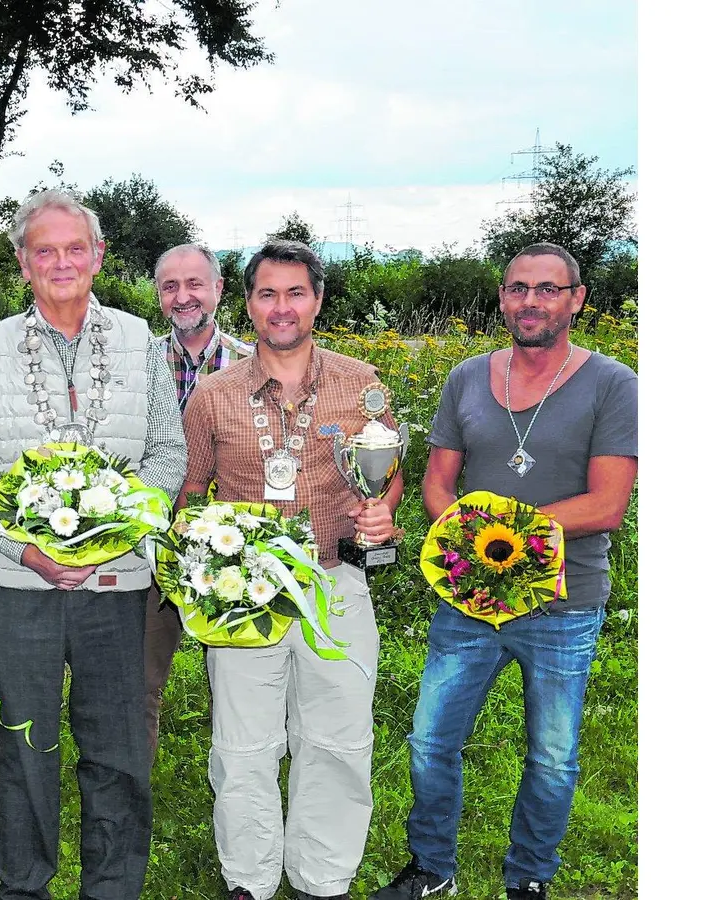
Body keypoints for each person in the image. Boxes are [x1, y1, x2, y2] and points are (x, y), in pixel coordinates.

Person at [371, 243, 637, 900]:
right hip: (468, 598)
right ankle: (432, 865)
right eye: (518, 288)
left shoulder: (613, 384)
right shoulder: (465, 377)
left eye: (548, 289)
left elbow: (607, 504)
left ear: (576, 299)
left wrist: (504, 534)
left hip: (563, 606)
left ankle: (529, 878)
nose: (531, 301)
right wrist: (470, 540)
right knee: (430, 739)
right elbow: (437, 483)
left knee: (551, 757)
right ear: (502, 297)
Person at [0, 189, 188, 900]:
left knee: (116, 746)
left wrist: (116, 529)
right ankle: (24, 883)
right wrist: (25, 549)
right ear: (23, 263)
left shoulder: (140, 339)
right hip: (17, 586)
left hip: (117, 586)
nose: (61, 262)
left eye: (73, 248)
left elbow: (166, 456)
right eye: (43, 250)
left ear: (97, 257)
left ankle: (113, 885)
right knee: (25, 743)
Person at [180, 239, 400, 900]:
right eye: (267, 293)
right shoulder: (213, 397)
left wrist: (382, 511)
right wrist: (201, 564)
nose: (282, 308)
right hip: (244, 592)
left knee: (337, 737)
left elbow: (386, 471)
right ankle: (248, 878)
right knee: (243, 745)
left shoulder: (364, 385)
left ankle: (323, 877)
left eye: (295, 292)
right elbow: (190, 495)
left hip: (336, 582)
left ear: (318, 299)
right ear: (248, 303)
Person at [144, 242, 257, 760]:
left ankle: (235, 772)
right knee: (141, 672)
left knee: (236, 678)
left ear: (218, 289)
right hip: (152, 540)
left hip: (230, 544)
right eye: (171, 286)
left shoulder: (254, 365)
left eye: (195, 284)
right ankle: (135, 781)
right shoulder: (137, 365)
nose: (183, 297)